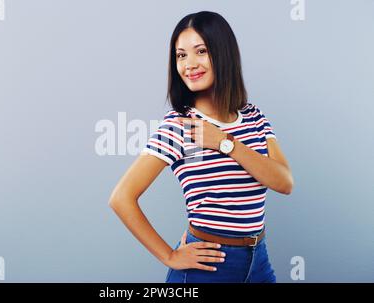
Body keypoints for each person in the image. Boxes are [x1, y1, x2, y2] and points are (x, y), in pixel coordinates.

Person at [108, 11, 294, 283]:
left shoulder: (254, 116)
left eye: (201, 51)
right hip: (208, 268)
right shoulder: (181, 126)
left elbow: (284, 182)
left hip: (259, 261)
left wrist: (225, 143)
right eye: (181, 55)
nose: (189, 64)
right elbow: (121, 197)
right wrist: (170, 256)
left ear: (223, 53)